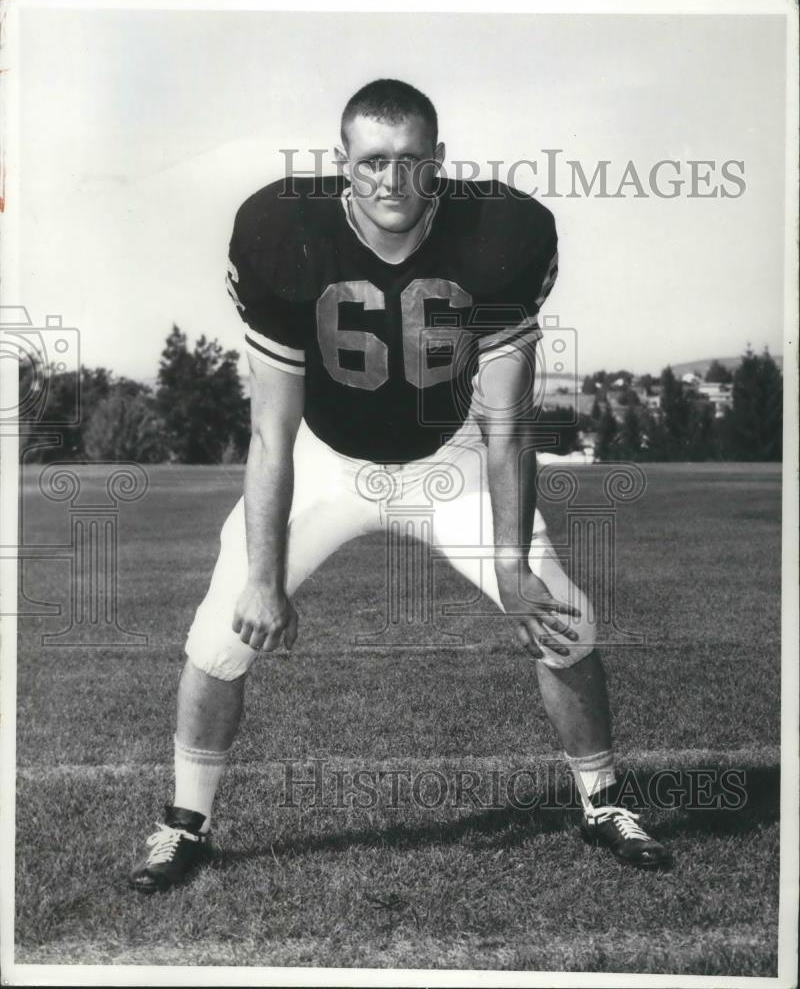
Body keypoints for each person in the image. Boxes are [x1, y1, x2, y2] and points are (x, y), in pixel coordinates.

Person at [129, 78, 670, 893]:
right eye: (373, 161)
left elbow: (507, 423)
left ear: (438, 163)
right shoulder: (282, 233)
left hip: (448, 457)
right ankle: (185, 824)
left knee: (563, 620)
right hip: (323, 455)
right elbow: (272, 433)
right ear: (341, 164)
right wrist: (266, 580)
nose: (392, 180)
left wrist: (514, 566)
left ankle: (602, 803)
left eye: (411, 161)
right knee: (222, 631)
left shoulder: (501, 233)